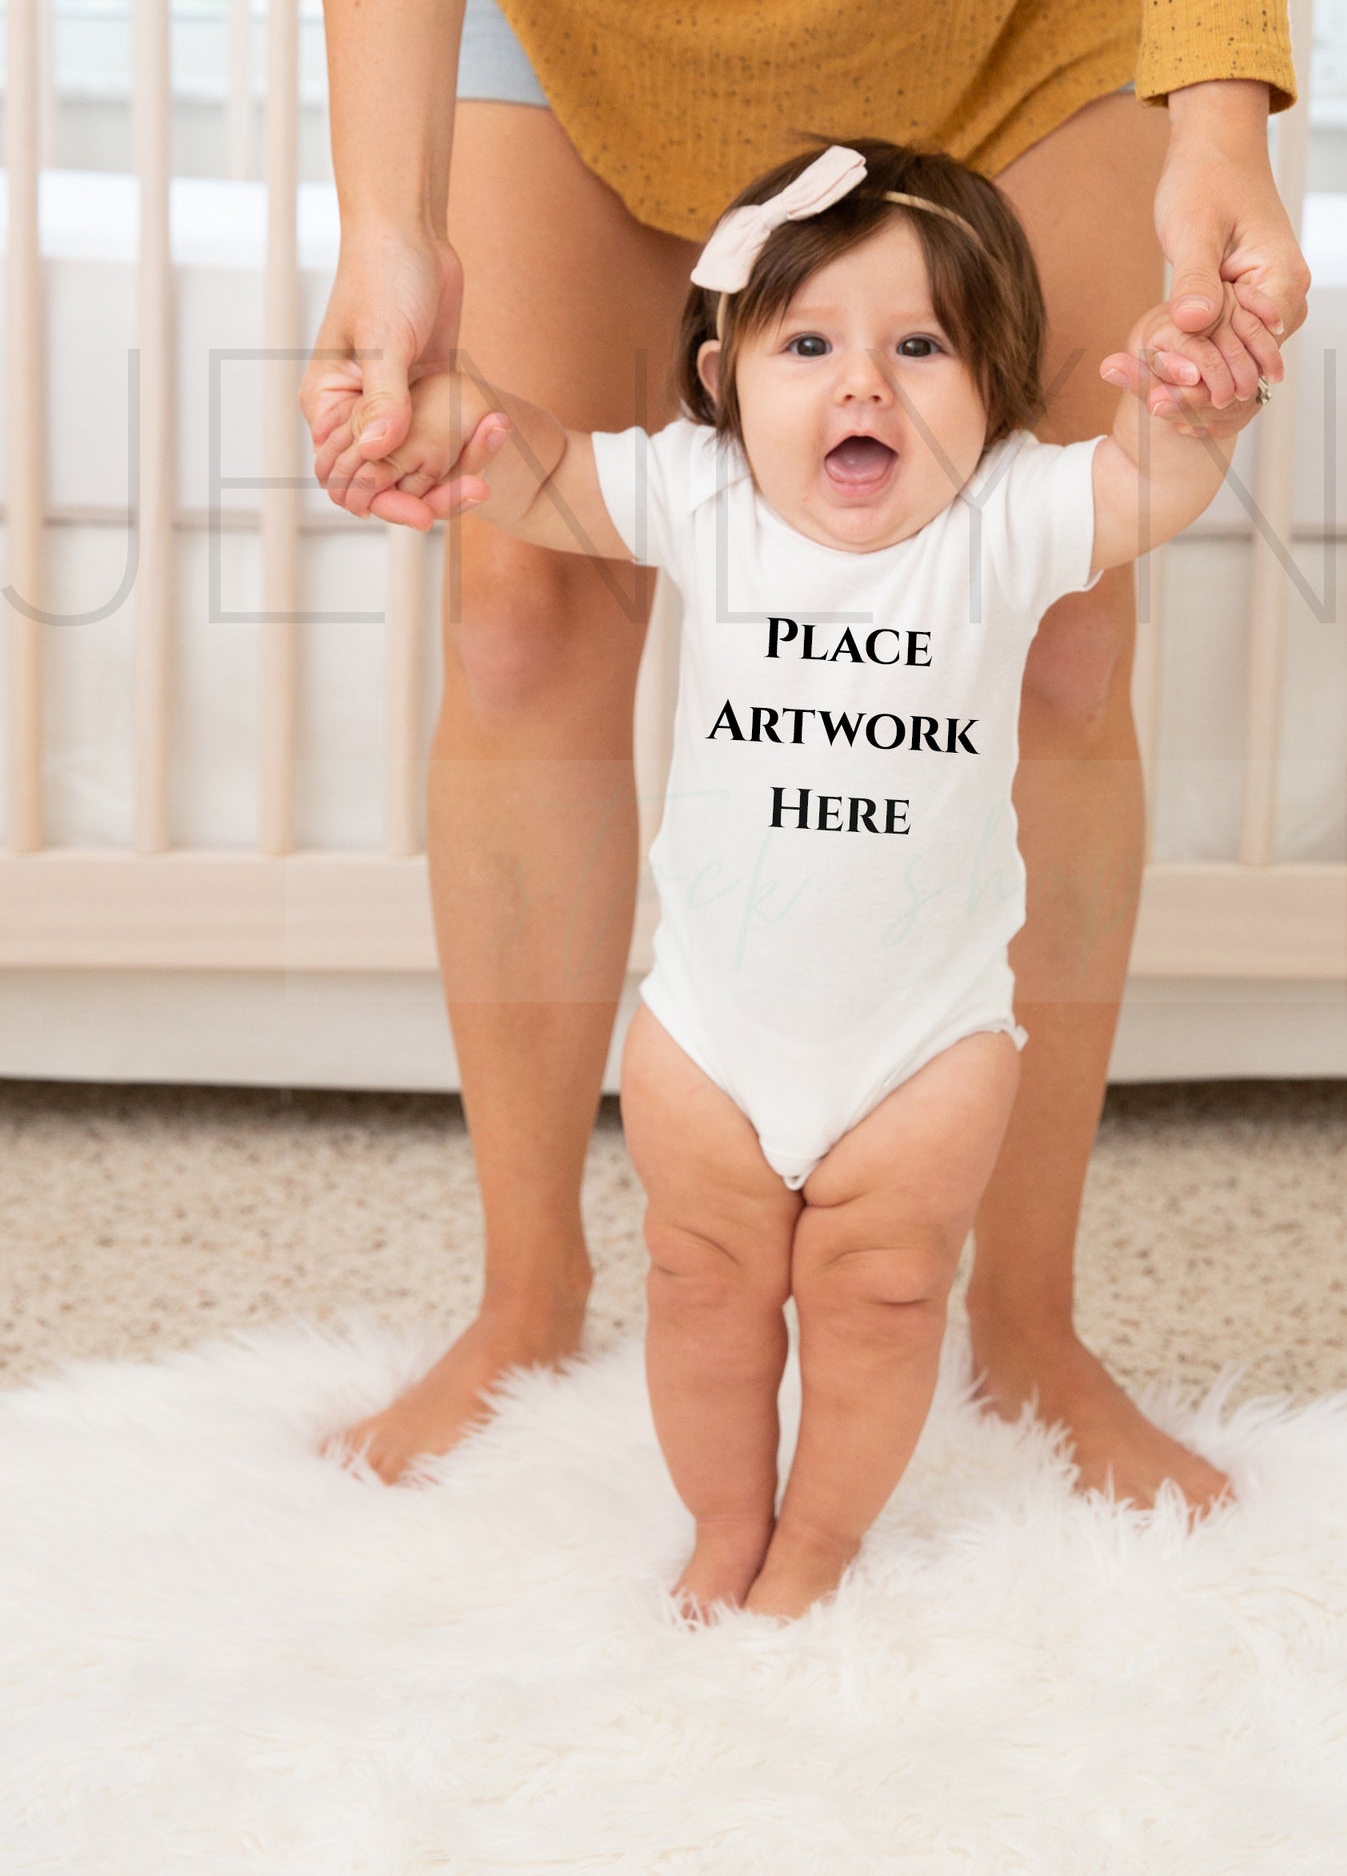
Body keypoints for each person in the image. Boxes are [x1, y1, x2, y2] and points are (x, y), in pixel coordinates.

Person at [296, 0, 1311, 1505]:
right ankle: (526, 1294)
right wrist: (385, 217)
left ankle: (1025, 1322)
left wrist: (1220, 115)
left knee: (1058, 634)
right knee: (521, 608)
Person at [359, 138, 1269, 1614]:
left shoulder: (1004, 518)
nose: (865, 386)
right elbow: (536, 468)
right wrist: (438, 406)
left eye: (921, 346)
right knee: (700, 1285)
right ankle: (726, 1526)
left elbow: (1144, 486)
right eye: (809, 346)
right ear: (722, 381)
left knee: (885, 1300)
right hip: (714, 1039)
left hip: (926, 1049)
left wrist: (1194, 409)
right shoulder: (701, 497)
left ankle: (822, 1543)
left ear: (993, 384)